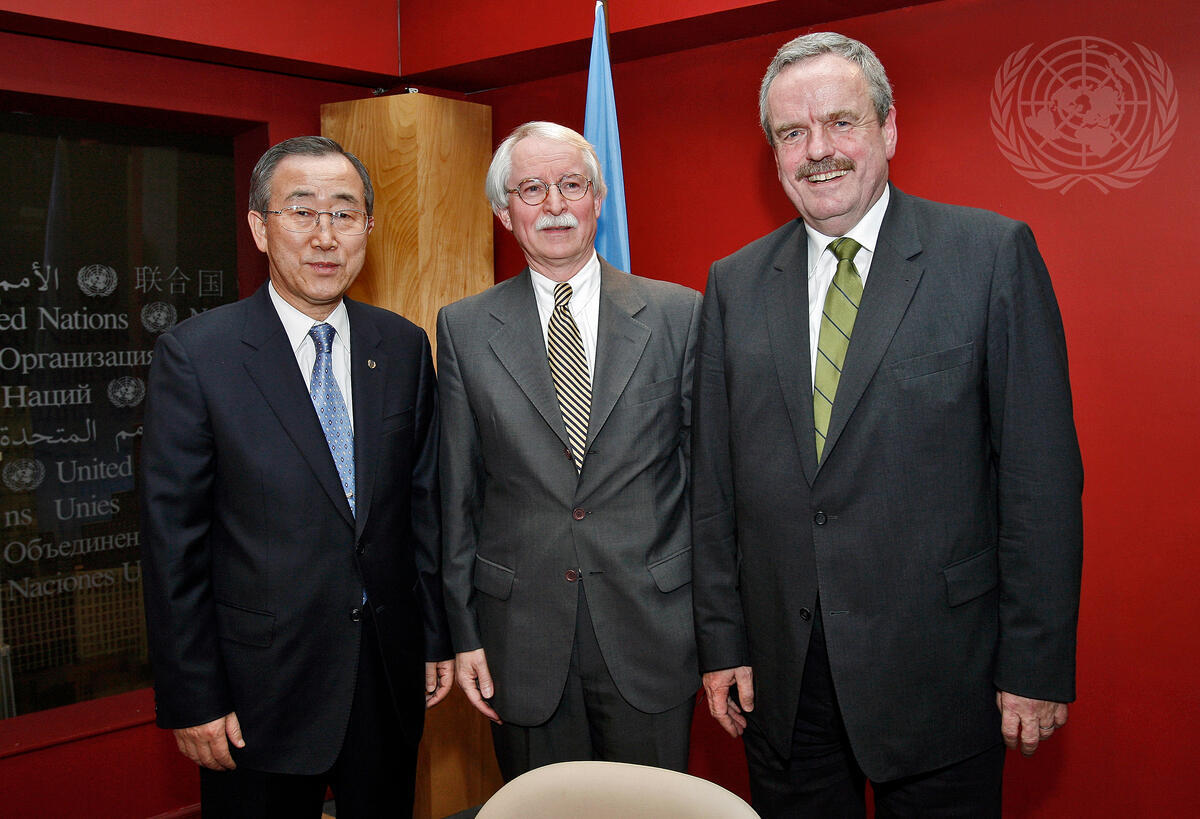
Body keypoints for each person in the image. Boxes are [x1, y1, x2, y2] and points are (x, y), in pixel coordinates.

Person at [691, 33, 1083, 817]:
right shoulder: (733, 284)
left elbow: (1039, 481)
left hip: (944, 675)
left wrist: (1035, 664)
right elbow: (714, 484)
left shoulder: (989, 256)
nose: (818, 150)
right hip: (785, 681)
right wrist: (722, 640)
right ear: (775, 154)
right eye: (793, 132)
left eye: (841, 122)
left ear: (889, 128)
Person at [140, 135, 453, 818]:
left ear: (368, 227)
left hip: (385, 677)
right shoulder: (197, 356)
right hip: (258, 691)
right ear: (260, 227)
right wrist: (193, 695)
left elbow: (421, 509)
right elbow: (172, 546)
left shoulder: (402, 346)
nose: (325, 235)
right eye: (302, 211)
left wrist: (434, 636)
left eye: (344, 213)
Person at [438, 121, 702, 780]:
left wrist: (722, 633)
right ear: (504, 212)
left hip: (653, 629)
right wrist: (462, 632)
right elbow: (456, 495)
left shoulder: (679, 315)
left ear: (598, 200)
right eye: (531, 188)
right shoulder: (463, 328)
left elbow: (712, 489)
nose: (554, 204)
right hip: (519, 639)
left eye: (572, 185)